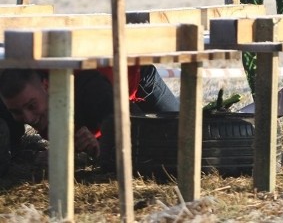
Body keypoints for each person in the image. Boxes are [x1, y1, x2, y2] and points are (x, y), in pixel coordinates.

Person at [0, 65, 178, 166]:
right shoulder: (9, 99)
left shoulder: (89, 88)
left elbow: (122, 149)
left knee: (178, 141)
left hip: (138, 81)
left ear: (46, 86)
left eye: (32, 106)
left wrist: (100, 148)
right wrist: (31, 157)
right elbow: (10, 150)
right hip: (95, 107)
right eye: (16, 111)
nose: (29, 118)